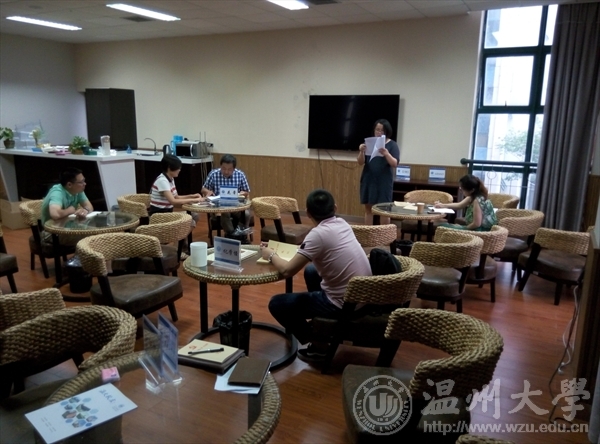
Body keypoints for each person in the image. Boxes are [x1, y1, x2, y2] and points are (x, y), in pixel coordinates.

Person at [263, 189, 372, 362]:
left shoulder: (317, 235)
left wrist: (270, 254)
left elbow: (286, 271)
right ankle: (323, 326)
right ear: (335, 207)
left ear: (308, 213)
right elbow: (311, 251)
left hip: (344, 304)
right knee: (311, 270)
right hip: (363, 295)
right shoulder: (342, 223)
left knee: (277, 304)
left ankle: (319, 345)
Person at [357, 119, 400, 225]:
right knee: (369, 209)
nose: (379, 132)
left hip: (384, 181)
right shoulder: (369, 143)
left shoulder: (392, 145)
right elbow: (360, 162)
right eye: (377, 130)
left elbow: (395, 163)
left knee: (384, 210)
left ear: (387, 131)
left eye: (382, 130)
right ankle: (369, 233)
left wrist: (386, 154)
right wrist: (361, 151)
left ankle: (384, 234)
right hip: (369, 179)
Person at [201, 154, 251, 236]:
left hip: (236, 206)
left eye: (229, 169)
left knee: (246, 214)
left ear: (234, 168)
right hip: (218, 208)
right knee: (224, 212)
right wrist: (208, 192)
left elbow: (246, 192)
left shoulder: (240, 175)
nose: (226, 172)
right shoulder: (213, 174)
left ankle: (242, 235)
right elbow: (203, 189)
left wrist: (243, 193)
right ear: (220, 166)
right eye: (223, 168)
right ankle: (231, 235)